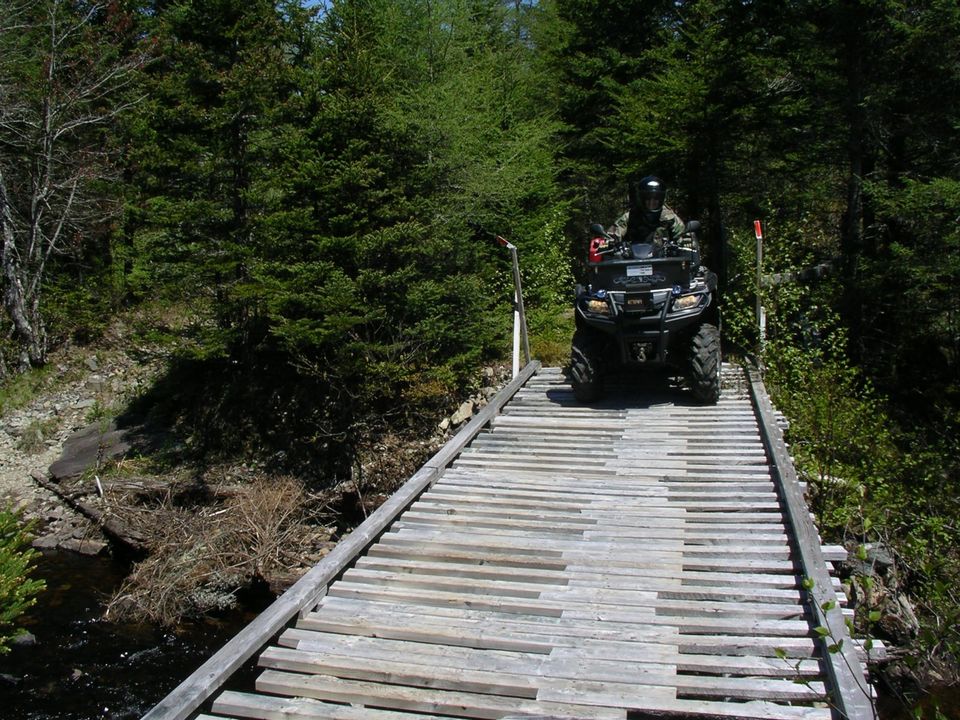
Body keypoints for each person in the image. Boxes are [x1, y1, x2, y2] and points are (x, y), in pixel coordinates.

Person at [609, 175, 686, 250]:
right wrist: (613, 243)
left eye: (656, 198)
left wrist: (677, 245)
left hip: (663, 260)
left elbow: (684, 239)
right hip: (634, 260)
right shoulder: (630, 215)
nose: (651, 202)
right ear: (641, 199)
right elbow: (612, 236)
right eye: (647, 199)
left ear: (661, 199)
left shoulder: (670, 217)